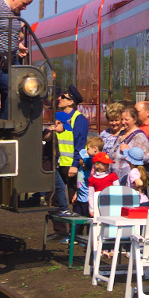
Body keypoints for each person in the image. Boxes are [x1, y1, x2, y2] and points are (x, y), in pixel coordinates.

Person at [49, 85, 87, 216]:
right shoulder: (58, 116)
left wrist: (75, 165)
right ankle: (60, 232)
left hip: (70, 165)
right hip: (58, 163)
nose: (59, 98)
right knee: (53, 198)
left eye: (63, 97)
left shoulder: (79, 119)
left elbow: (80, 144)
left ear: (71, 102)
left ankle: (75, 232)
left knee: (75, 198)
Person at [111, 106, 149, 184]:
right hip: (116, 180)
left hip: (129, 181)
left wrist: (129, 150)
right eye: (122, 119)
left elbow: (147, 157)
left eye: (126, 120)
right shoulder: (121, 133)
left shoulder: (139, 136)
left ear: (135, 119)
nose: (123, 122)